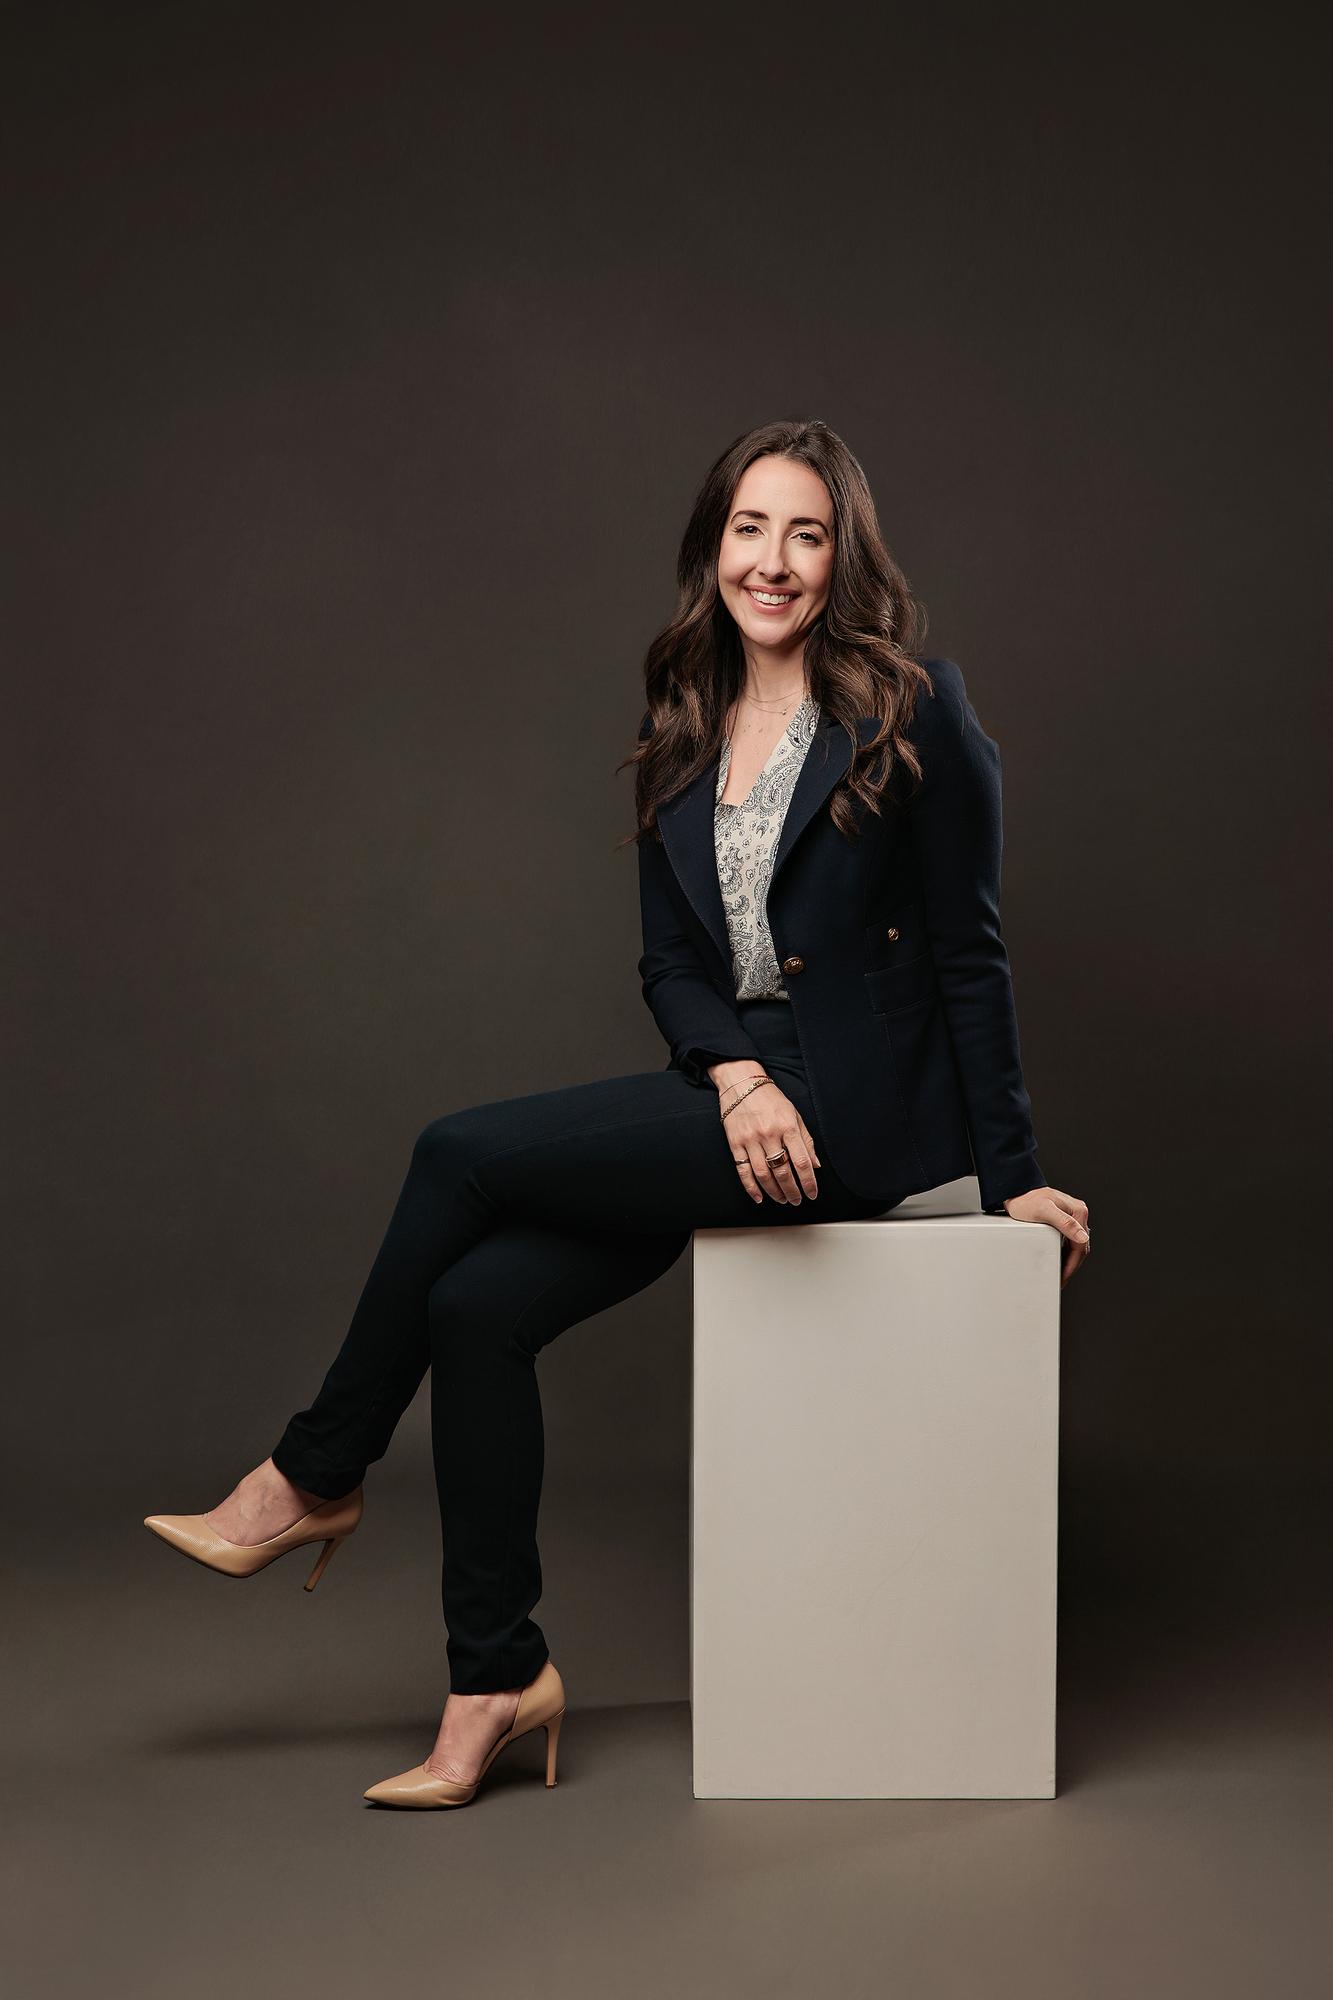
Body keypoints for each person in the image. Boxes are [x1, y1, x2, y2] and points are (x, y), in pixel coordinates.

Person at [143, 417, 1091, 1811]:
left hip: (858, 1120)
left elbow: (970, 952)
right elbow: (668, 964)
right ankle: (494, 1682)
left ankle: (309, 1473)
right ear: (712, 548)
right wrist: (735, 1072)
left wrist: (1009, 1173)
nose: (774, 562)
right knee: (475, 1313)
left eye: (806, 533)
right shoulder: (682, 722)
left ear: (844, 556)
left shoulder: (914, 707)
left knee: (456, 1151)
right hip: (731, 1096)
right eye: (750, 529)